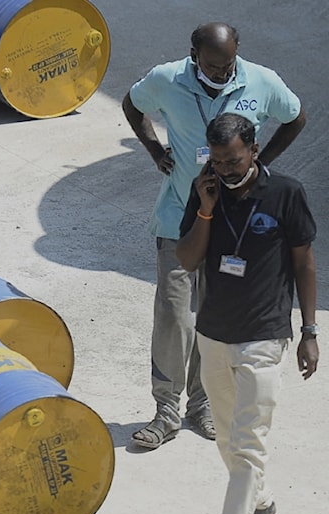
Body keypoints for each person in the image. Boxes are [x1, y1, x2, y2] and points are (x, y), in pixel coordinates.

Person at [122, 22, 306, 449]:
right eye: (213, 65)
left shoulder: (261, 80)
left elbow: (296, 117)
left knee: (212, 316)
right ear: (193, 55)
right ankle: (165, 409)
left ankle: (201, 406)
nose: (223, 73)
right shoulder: (167, 79)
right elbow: (133, 105)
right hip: (178, 218)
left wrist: (263, 164)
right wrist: (154, 150)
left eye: (229, 65)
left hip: (234, 222)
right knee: (173, 314)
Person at [175, 112, 318, 514]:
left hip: (264, 335)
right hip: (213, 334)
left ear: (254, 150)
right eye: (217, 160)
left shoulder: (286, 194)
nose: (225, 168)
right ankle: (260, 503)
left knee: (249, 443)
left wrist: (310, 330)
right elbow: (188, 259)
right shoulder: (206, 192)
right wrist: (206, 207)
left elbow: (305, 265)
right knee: (224, 439)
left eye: (233, 160)